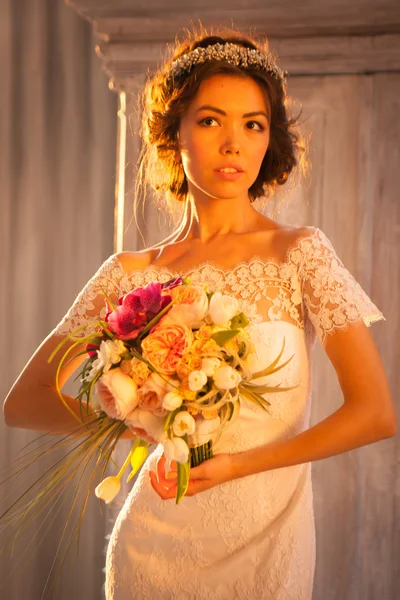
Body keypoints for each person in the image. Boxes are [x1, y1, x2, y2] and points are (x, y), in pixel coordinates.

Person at [3, 27, 397, 600]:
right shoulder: (130, 273)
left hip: (268, 544)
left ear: (270, 142)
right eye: (211, 120)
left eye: (252, 124)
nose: (233, 143)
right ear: (174, 132)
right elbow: (25, 401)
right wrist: (135, 421)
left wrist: (240, 466)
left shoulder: (300, 253)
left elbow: (375, 413)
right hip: (154, 545)